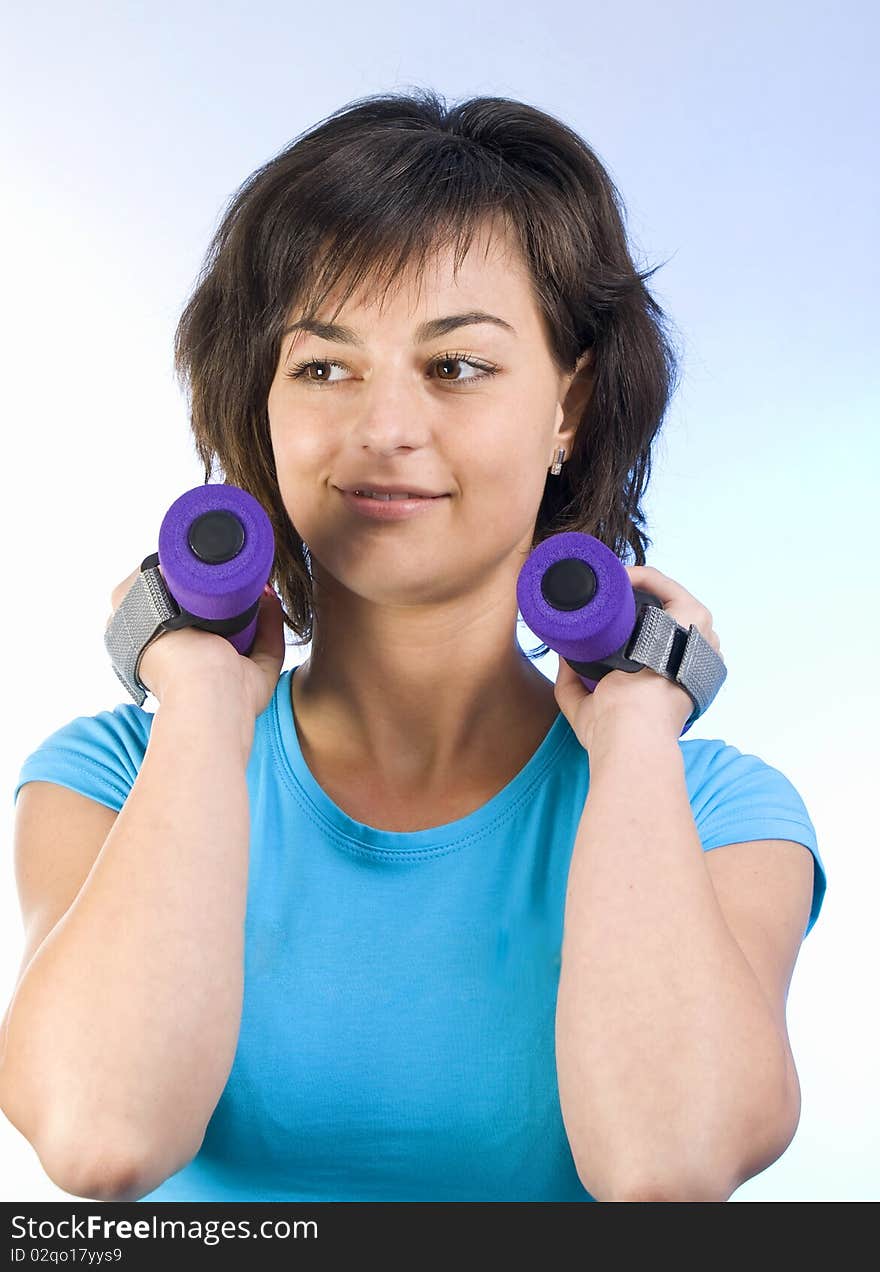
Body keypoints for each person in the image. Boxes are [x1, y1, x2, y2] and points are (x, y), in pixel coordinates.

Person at [1, 88, 825, 1203]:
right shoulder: (103, 779)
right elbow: (101, 1140)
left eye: (457, 367)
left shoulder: (718, 813)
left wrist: (634, 730)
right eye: (324, 367)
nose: (384, 429)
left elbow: (667, 1166)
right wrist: (196, 698)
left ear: (568, 408)